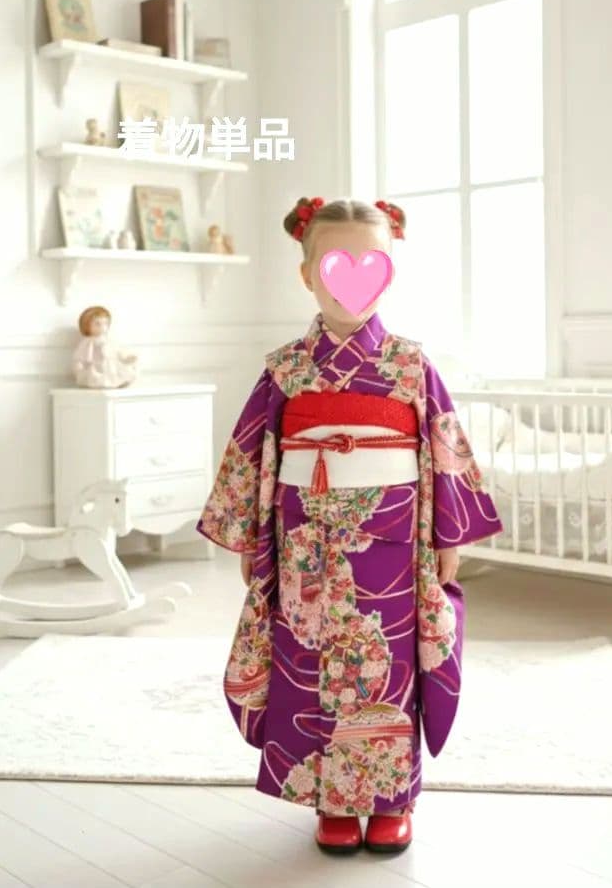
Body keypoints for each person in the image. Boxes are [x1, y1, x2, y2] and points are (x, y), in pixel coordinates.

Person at [196, 196, 503, 855]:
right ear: (307, 273)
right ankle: (330, 802)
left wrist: (447, 537)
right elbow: (253, 454)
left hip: (391, 543)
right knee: (307, 663)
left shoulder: (411, 365)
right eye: (335, 263)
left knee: (389, 666)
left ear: (390, 270)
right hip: (303, 541)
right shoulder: (286, 369)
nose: (352, 279)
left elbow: (443, 450)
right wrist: (252, 539)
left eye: (371, 263)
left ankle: (391, 800)